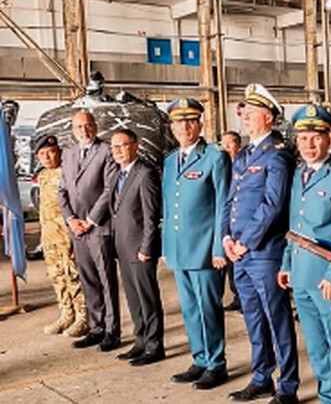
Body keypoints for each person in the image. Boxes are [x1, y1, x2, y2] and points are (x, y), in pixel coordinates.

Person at [222, 84, 299, 404]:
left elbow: (273, 204)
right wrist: (226, 238)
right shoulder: (244, 155)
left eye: (251, 114)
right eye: (245, 113)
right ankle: (261, 376)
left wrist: (246, 242)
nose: (245, 118)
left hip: (264, 253)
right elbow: (230, 200)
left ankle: (288, 386)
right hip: (239, 252)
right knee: (253, 316)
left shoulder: (278, 154)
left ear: (268, 118)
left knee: (276, 318)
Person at [278, 105, 331, 404]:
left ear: (330, 138)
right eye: (303, 139)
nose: (309, 145)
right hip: (301, 276)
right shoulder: (299, 174)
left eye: (316, 138)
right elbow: (295, 225)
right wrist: (287, 264)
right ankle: (328, 397)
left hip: (327, 279)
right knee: (316, 347)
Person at [162, 98, 231, 390]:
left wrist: (218, 248)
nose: (184, 127)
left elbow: (223, 206)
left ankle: (216, 363)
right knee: (190, 309)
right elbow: (168, 208)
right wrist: (167, 248)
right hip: (180, 250)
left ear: (200, 123)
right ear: (171, 127)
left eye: (190, 121)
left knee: (208, 308)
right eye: (178, 122)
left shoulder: (215, 156)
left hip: (205, 251)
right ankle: (200, 358)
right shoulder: (169, 161)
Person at [58, 111, 121, 351]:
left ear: (95, 126)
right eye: (78, 127)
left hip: (98, 227)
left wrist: (90, 220)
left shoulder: (106, 151)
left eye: (88, 125)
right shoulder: (69, 154)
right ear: (72, 129)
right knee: (88, 280)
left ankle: (112, 331)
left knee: (106, 279)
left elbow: (109, 189)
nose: (84, 131)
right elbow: (62, 191)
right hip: (77, 229)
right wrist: (71, 219)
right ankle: (96, 328)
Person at [108, 129, 165, 366]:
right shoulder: (116, 175)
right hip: (123, 246)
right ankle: (140, 341)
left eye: (122, 146)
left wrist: (147, 247)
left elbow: (151, 217)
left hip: (141, 248)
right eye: (114, 147)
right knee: (133, 298)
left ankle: (154, 346)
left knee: (147, 297)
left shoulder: (145, 174)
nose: (118, 151)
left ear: (135, 145)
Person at [35, 135, 88, 337]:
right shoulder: (42, 176)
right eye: (42, 154)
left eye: (51, 152)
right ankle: (67, 314)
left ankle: (83, 317)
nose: (47, 157)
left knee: (74, 277)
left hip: (67, 237)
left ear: (58, 152)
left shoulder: (68, 173)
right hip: (50, 239)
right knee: (57, 278)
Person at [219, 130, 243, 313]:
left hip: (241, 224)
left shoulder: (243, 165)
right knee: (230, 265)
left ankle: (244, 298)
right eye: (223, 145)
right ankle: (236, 296)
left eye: (230, 144)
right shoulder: (221, 167)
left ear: (238, 146)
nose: (226, 148)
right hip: (227, 222)